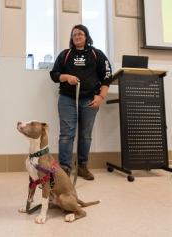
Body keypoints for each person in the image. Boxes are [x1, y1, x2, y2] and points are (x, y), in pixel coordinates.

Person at [50, 24, 113, 181]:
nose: (77, 36)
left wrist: (101, 97)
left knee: (85, 135)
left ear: (86, 36)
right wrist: (66, 77)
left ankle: (82, 166)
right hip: (67, 99)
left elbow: (107, 76)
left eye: (80, 34)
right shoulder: (65, 54)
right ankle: (64, 168)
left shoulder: (96, 54)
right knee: (66, 134)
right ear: (71, 38)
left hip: (90, 100)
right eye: (74, 34)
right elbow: (54, 74)